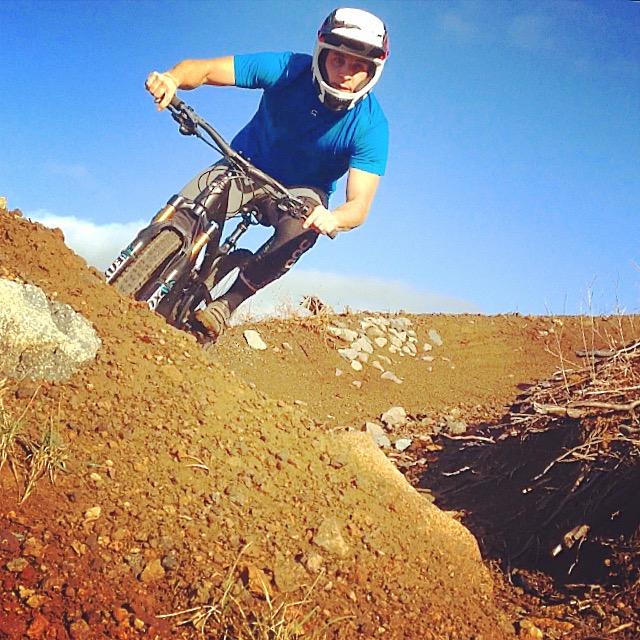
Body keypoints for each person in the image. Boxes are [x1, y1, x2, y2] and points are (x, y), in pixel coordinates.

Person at [145, 7, 389, 341]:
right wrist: (172, 78)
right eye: (338, 60)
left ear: (373, 71)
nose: (346, 73)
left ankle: (227, 304)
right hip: (244, 164)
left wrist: (334, 218)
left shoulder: (371, 125)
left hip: (300, 194)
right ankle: (144, 260)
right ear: (322, 54)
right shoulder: (287, 68)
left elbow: (359, 204)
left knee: (302, 232)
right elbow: (202, 69)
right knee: (188, 207)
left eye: (358, 65)